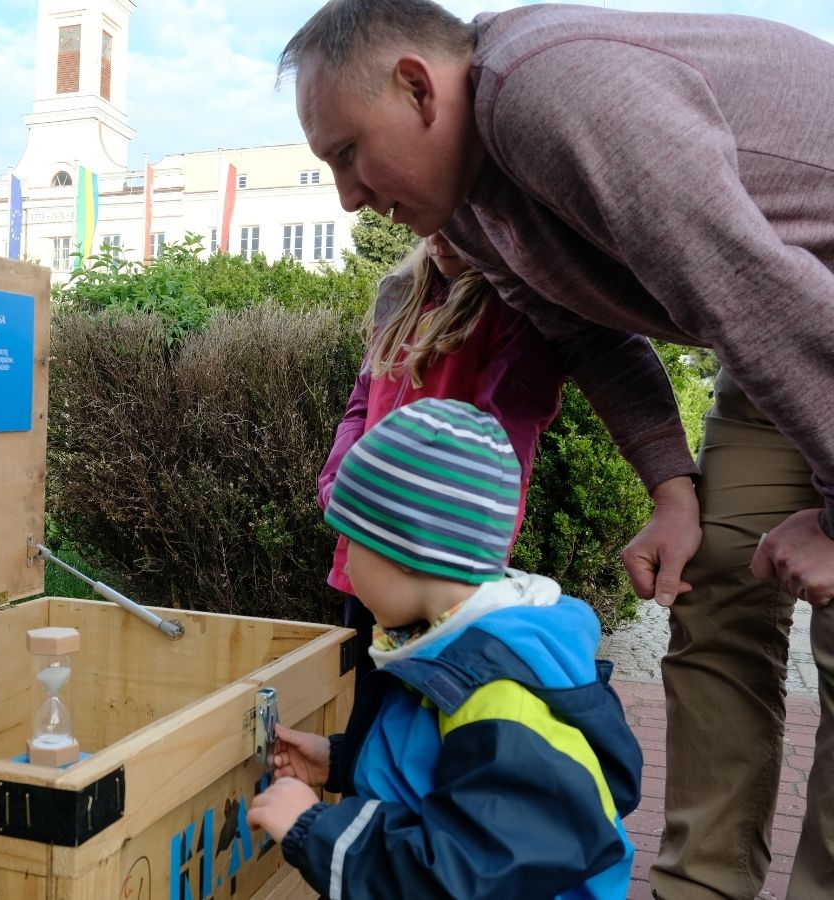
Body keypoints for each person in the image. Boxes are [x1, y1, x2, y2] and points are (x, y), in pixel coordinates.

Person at [278, 3, 834, 898]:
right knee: (720, 586)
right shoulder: (472, 213)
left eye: (348, 152)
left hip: (798, 308)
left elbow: (748, 284)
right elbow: (588, 333)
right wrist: (673, 492)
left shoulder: (544, 86)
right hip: (780, 332)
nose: (347, 194)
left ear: (418, 87)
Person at [248, 398, 642, 899]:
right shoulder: (461, 652)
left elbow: (462, 879)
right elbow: (445, 765)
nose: (344, 564)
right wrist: (342, 760)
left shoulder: (499, 695)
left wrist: (314, 829)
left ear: (406, 552)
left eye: (351, 543)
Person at [318, 232, 563, 685]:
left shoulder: (513, 306)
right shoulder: (399, 291)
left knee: (431, 694)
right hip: (367, 547)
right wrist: (342, 482)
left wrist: (471, 561)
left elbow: (505, 446)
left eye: (456, 223)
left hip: (436, 562)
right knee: (367, 695)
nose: (437, 238)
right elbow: (361, 403)